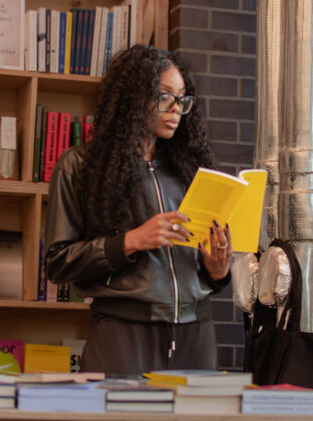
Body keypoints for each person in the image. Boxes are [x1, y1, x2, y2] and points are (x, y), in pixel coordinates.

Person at [44, 45, 233, 374]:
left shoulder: (189, 172)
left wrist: (218, 273)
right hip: (123, 334)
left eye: (183, 99)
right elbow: (59, 262)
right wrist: (131, 241)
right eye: (165, 97)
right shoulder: (80, 166)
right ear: (133, 98)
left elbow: (198, 271)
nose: (176, 109)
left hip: (196, 334)